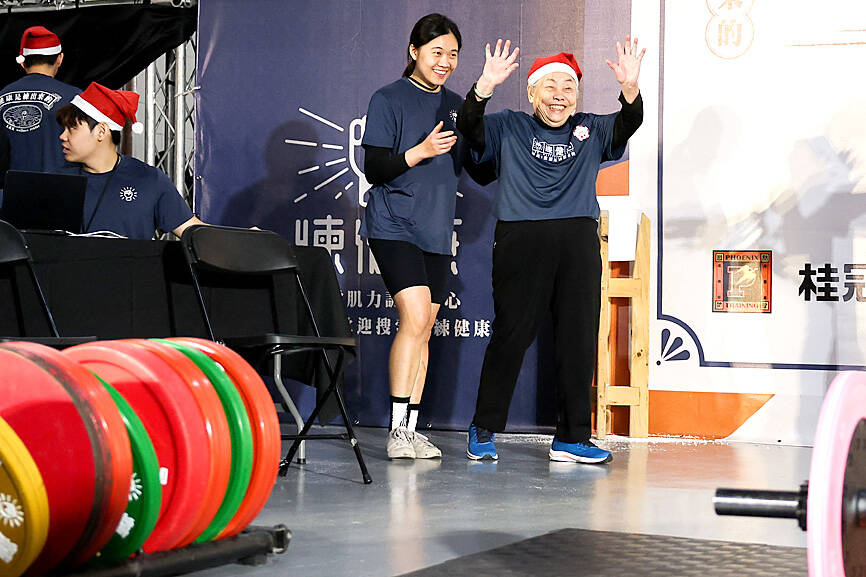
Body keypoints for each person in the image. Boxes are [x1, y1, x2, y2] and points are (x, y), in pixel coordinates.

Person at [458, 37, 645, 463]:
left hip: (577, 240)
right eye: (550, 86)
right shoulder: (509, 126)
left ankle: (572, 438)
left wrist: (630, 87)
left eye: (568, 87)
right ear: (532, 93)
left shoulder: (591, 128)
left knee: (578, 337)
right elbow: (470, 126)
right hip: (521, 239)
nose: (559, 95)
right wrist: (484, 86)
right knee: (511, 334)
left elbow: (628, 121)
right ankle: (483, 427)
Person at [360, 13, 486, 460]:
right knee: (414, 318)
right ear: (414, 51)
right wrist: (421, 151)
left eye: (453, 54)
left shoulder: (456, 106)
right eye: (436, 52)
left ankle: (411, 430)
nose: (444, 61)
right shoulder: (388, 98)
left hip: (436, 231)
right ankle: (396, 430)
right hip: (393, 223)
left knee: (425, 328)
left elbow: (479, 167)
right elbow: (374, 168)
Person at [55, 82, 203, 239]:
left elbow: (195, 234)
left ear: (101, 131)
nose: (63, 136)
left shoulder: (148, 179)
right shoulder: (57, 181)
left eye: (71, 128)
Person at [0, 26, 80, 174]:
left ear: (23, 62)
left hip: (14, 185)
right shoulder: (75, 97)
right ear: (60, 59)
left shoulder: (2, 95)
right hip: (64, 183)